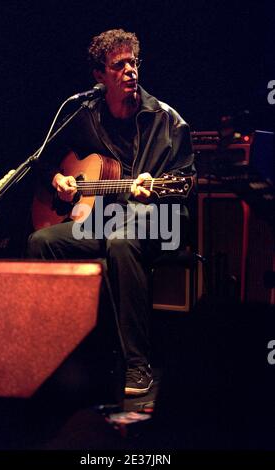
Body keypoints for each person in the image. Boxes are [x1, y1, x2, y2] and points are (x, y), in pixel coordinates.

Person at [28, 28, 194, 396]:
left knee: (121, 240)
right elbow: (38, 163)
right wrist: (58, 178)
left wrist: (152, 194)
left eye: (133, 63)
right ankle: (57, 354)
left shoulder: (168, 121)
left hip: (161, 220)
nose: (131, 71)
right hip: (106, 220)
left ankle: (138, 366)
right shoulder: (84, 115)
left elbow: (184, 184)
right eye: (119, 65)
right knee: (42, 242)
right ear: (99, 76)